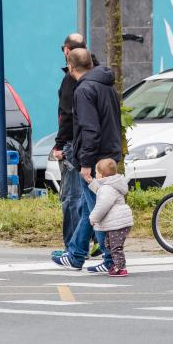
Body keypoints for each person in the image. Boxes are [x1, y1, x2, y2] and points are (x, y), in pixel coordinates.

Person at [52, 48, 121, 273]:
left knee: (97, 210)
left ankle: (111, 260)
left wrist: (86, 163)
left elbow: (90, 128)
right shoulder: (106, 84)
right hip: (110, 152)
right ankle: (76, 254)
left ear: (71, 67)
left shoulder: (84, 90)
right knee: (88, 210)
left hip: (95, 159)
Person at [51, 34, 102, 257]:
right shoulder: (100, 77)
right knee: (91, 196)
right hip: (96, 145)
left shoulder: (74, 82)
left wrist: (59, 144)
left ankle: (72, 247)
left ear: (68, 51)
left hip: (75, 144)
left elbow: (68, 116)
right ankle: (98, 240)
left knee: (72, 198)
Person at [88, 158, 133, 277]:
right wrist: (91, 182)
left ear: (101, 175)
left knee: (115, 246)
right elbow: (100, 191)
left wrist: (93, 218)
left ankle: (120, 268)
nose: (95, 174)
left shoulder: (107, 189)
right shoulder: (111, 184)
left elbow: (102, 205)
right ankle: (116, 265)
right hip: (118, 222)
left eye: (96, 172)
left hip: (118, 224)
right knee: (110, 244)